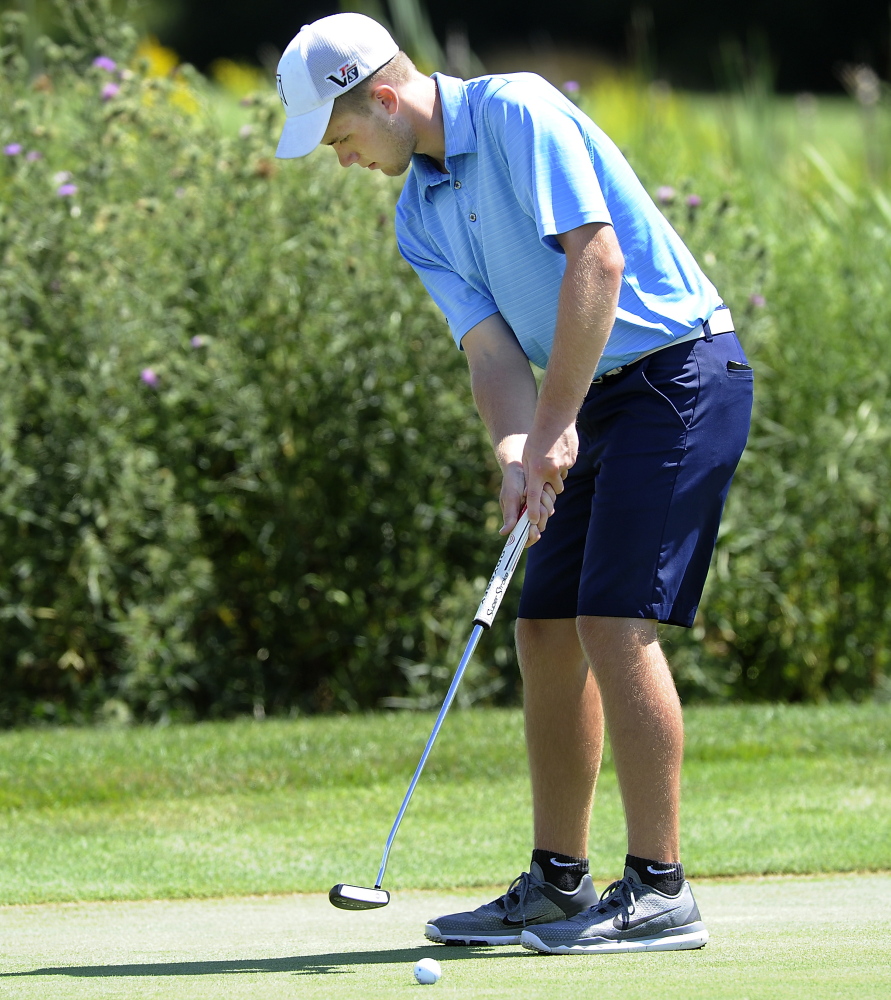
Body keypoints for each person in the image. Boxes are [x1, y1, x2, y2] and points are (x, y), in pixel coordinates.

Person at [274, 13, 753, 955]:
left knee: (612, 621)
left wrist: (556, 425)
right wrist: (513, 450)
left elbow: (597, 260)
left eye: (342, 139)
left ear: (380, 95)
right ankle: (559, 884)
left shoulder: (519, 110)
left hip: (678, 373)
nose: (346, 161)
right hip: (588, 401)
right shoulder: (419, 213)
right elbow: (490, 350)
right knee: (542, 627)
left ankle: (660, 889)